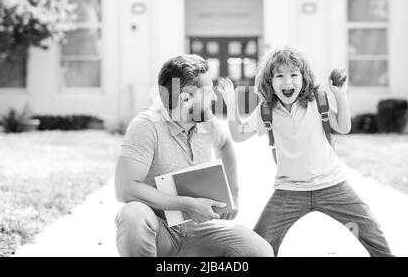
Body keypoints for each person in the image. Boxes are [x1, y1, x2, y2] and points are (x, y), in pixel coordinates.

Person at [218, 45, 393, 257]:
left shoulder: (317, 101)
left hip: (332, 185)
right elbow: (239, 134)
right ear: (269, 82)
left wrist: (340, 95)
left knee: (370, 231)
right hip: (289, 190)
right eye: (279, 76)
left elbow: (343, 127)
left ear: (304, 77)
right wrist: (231, 104)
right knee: (260, 244)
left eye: (294, 74)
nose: (287, 81)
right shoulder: (267, 109)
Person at [114, 54, 273, 257]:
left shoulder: (206, 121)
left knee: (260, 252)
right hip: (159, 231)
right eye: (208, 93)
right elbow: (124, 189)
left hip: (198, 228)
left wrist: (233, 193)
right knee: (132, 215)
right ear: (185, 97)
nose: (215, 98)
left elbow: (225, 143)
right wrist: (188, 204)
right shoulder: (146, 126)